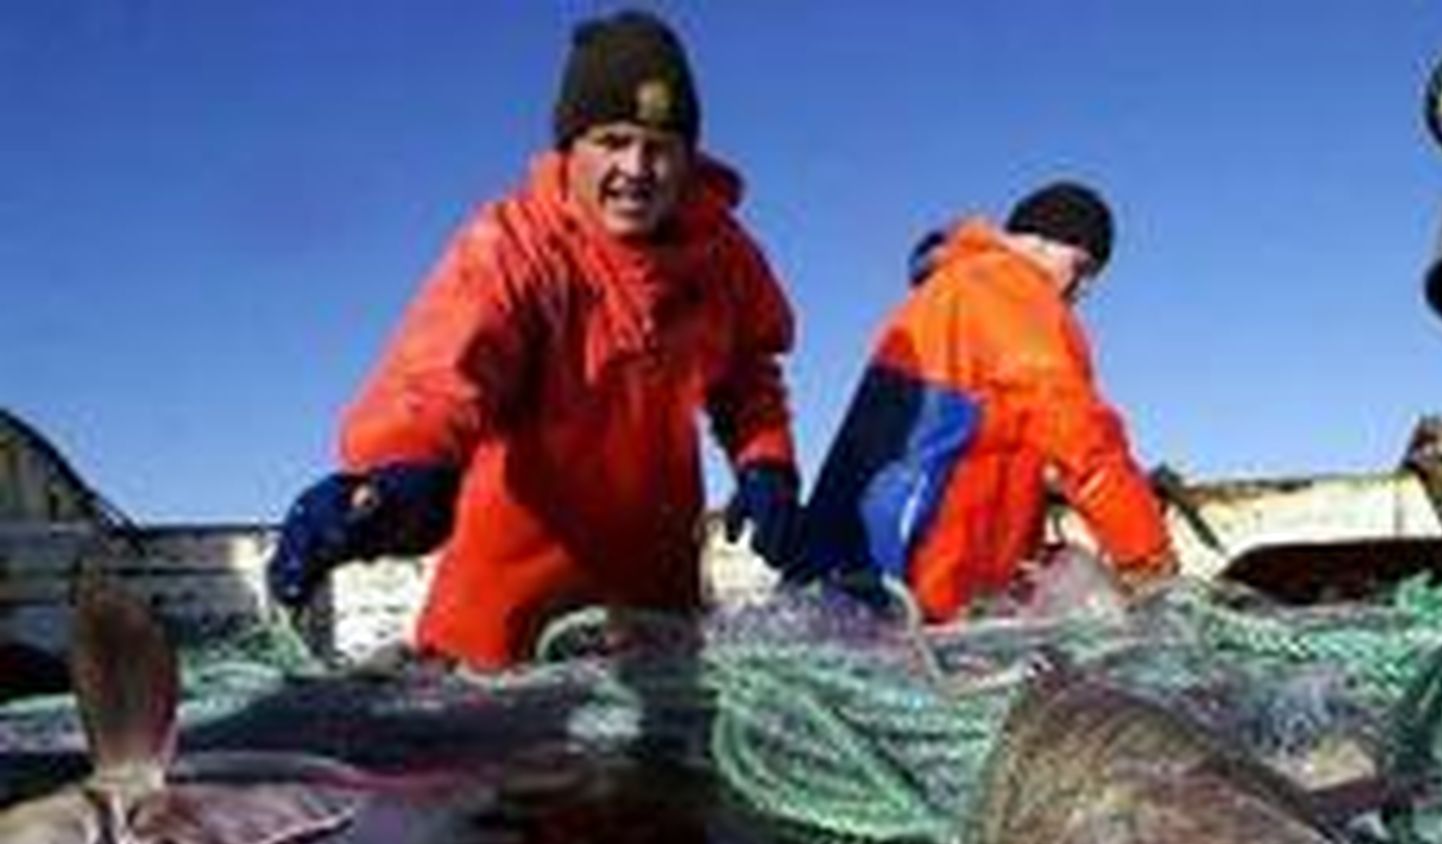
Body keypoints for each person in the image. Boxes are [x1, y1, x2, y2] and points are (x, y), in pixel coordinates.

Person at [266, 10, 803, 672]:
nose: (637, 167)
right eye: (613, 139)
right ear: (569, 148)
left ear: (689, 157)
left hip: (656, 612)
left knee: (661, 770)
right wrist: (405, 471)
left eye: (661, 146)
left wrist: (766, 460)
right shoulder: (512, 246)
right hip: (503, 625)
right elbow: (442, 367)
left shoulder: (724, 256)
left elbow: (748, 369)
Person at [797, 181, 1178, 622]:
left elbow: (958, 437)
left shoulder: (954, 292)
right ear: (1039, 241)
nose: (1084, 288)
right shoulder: (1008, 289)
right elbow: (1076, 429)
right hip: (910, 590)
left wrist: (1047, 489)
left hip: (859, 572)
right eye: (1082, 266)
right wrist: (1150, 562)